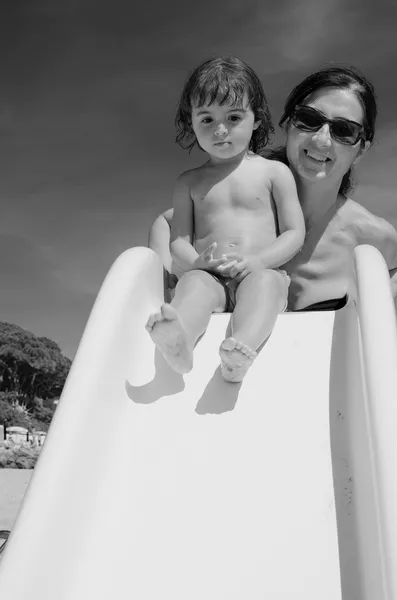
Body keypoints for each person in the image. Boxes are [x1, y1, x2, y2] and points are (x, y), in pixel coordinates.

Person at [148, 65, 397, 316]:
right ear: (288, 124)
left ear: (361, 149)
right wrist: (168, 281)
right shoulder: (238, 193)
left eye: (344, 130)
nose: (321, 140)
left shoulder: (373, 236)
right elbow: (168, 224)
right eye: (309, 120)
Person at [145, 57, 305, 383]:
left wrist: (259, 260)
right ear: (191, 123)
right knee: (192, 286)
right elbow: (178, 241)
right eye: (207, 119)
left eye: (233, 117)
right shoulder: (188, 182)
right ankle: (181, 339)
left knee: (268, 285)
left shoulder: (274, 172)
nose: (220, 130)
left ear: (256, 120)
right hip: (210, 276)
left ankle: (239, 351)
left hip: (258, 271)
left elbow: (293, 232)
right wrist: (197, 262)